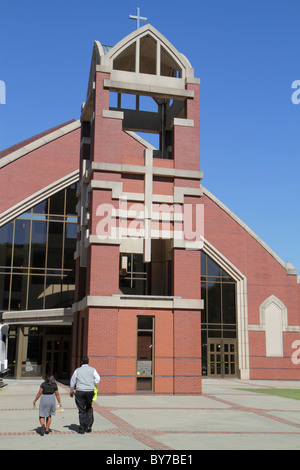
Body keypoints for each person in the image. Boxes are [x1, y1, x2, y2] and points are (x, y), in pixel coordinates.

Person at [70, 356, 100, 434]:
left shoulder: (77, 370)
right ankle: (89, 426)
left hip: (80, 391)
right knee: (89, 407)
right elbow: (98, 378)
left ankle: (82, 428)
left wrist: (71, 391)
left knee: (81, 410)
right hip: (90, 391)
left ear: (81, 362)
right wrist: (93, 383)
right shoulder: (92, 370)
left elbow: (72, 381)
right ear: (88, 362)